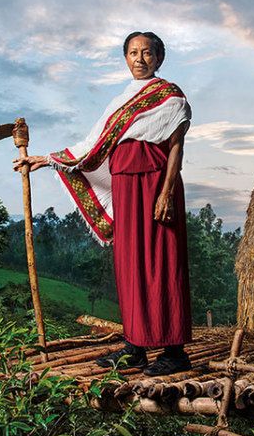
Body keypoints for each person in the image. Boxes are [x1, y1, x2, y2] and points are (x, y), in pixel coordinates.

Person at [13, 31, 193, 376]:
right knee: (130, 264)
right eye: (132, 53)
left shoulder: (171, 98)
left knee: (162, 262)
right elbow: (91, 146)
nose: (139, 59)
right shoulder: (120, 102)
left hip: (156, 185)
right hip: (125, 186)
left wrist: (167, 192)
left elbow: (175, 148)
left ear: (159, 58)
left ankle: (174, 351)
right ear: (125, 58)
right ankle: (135, 348)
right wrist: (45, 159)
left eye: (147, 53)